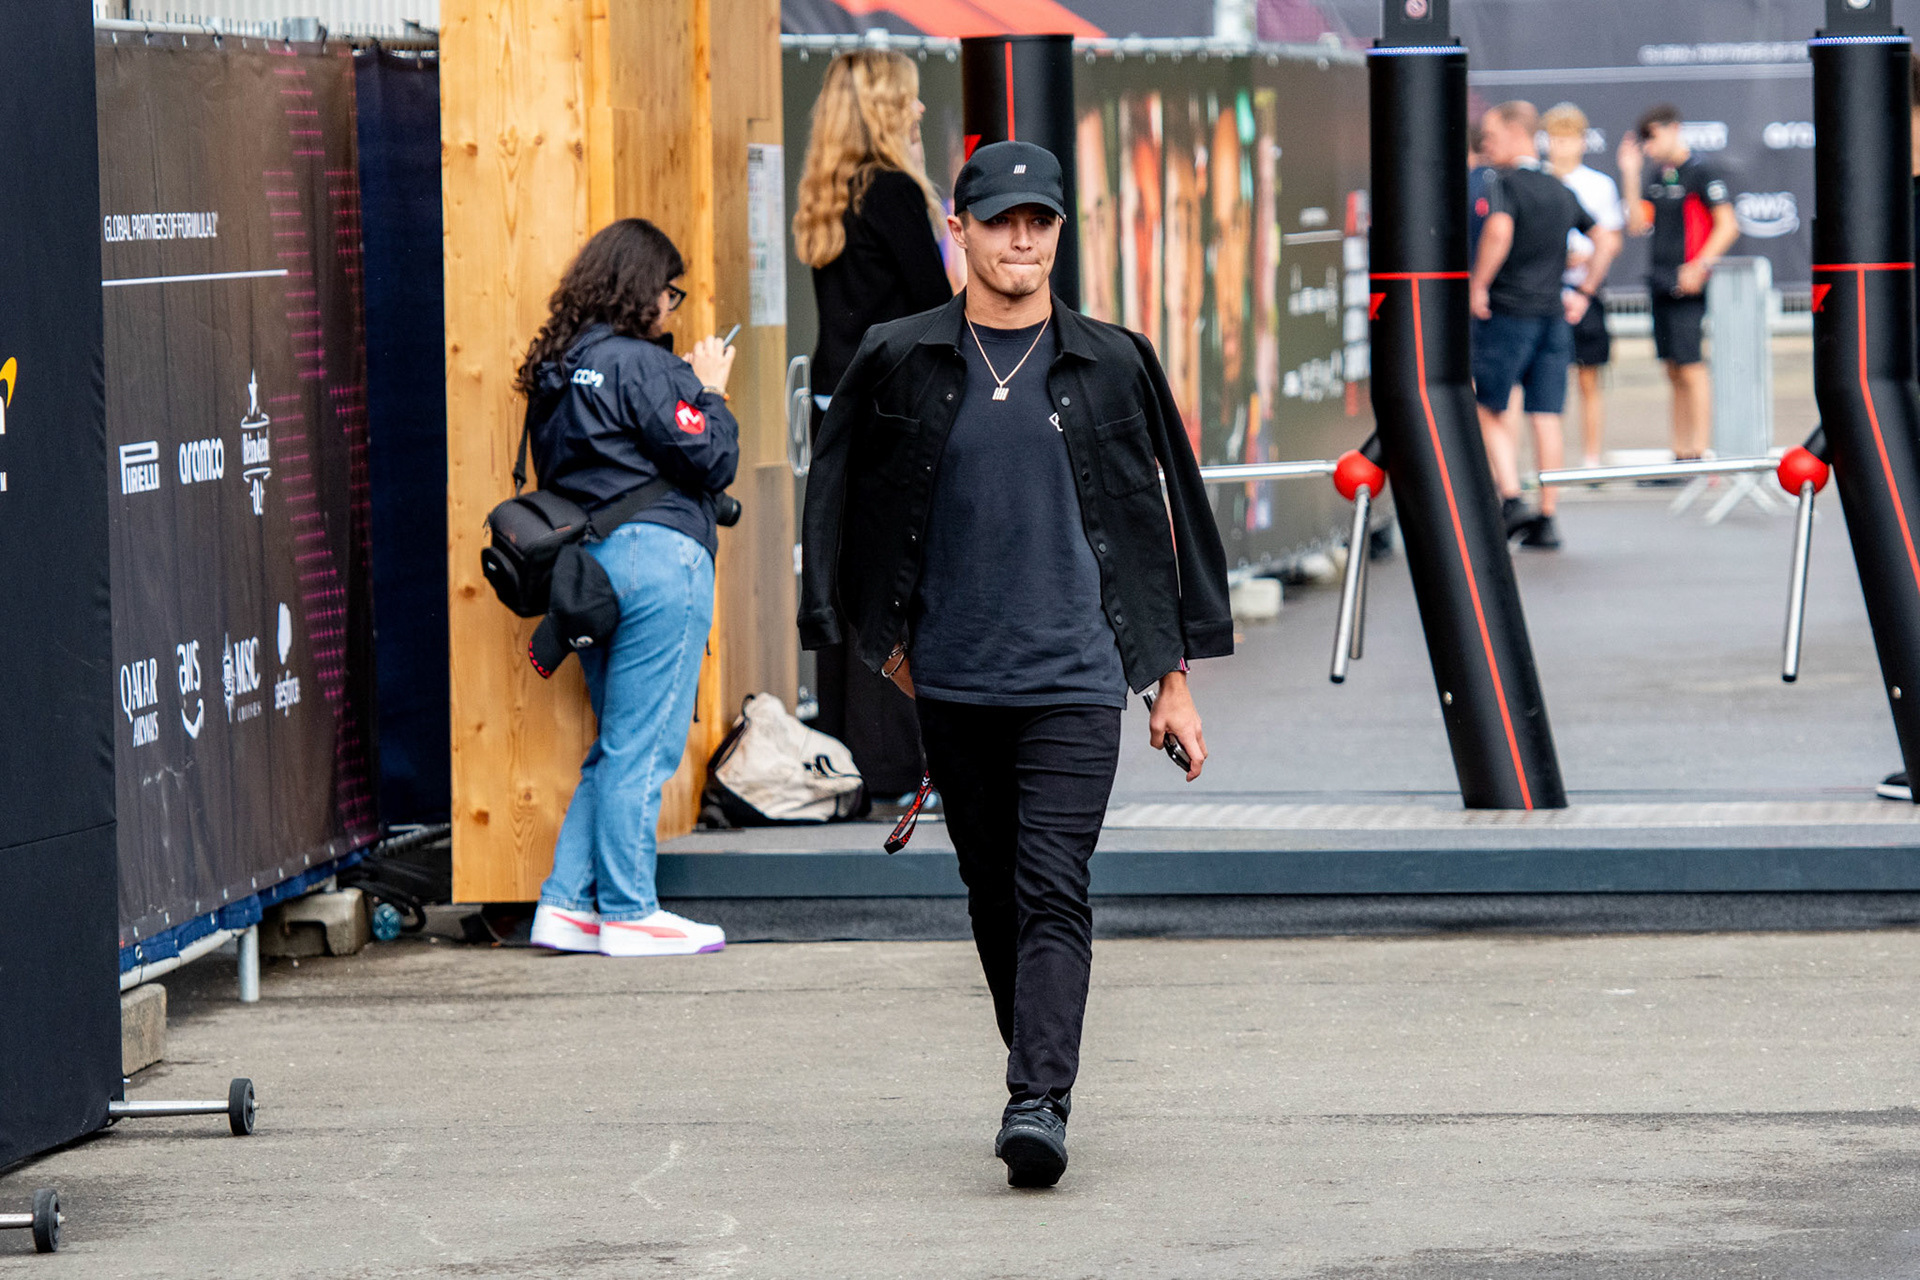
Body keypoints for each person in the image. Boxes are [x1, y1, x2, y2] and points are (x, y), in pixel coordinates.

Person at [798, 141, 1233, 1188]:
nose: (1022, 237)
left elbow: (1152, 517)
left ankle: (1038, 1095)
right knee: (992, 890)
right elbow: (845, 497)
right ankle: (1033, 1058)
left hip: (1076, 680)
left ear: (1058, 233)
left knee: (1050, 886)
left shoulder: (1111, 360)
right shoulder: (901, 354)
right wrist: (874, 638)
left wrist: (1168, 677)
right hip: (952, 677)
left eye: (1040, 219)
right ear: (961, 229)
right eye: (1001, 220)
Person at [519, 219, 739, 957]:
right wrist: (709, 391)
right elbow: (710, 458)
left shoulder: (556, 367)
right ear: (641, 286)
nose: (674, 307)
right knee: (642, 750)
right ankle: (629, 911)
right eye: (670, 291)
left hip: (590, 572)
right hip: (658, 564)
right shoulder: (642, 365)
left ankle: (565, 906)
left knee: (615, 746)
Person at [792, 48, 953, 802]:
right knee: (903, 584)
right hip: (898, 416)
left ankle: (856, 754)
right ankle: (900, 762)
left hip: (839, 411)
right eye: (910, 100)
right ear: (885, 109)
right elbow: (935, 302)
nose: (920, 111)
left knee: (848, 583)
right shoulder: (891, 191)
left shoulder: (830, 193)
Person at [1470, 101, 1618, 550]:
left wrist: (1479, 285)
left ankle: (1512, 498)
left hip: (1511, 313)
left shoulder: (1504, 184)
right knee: (1546, 414)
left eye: (1493, 136)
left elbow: (1498, 231)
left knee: (1489, 406)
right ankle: (1548, 516)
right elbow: (1606, 238)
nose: (1487, 145)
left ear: (1516, 134)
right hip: (1554, 316)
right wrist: (1585, 292)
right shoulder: (1559, 188)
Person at [1617, 103, 1739, 465]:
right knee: (1671, 367)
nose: (1649, 145)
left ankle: (1699, 451)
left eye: (1652, 136)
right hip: (1660, 278)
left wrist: (1699, 266)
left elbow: (1728, 225)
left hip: (1689, 284)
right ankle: (1681, 451)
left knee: (1690, 365)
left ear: (1674, 129)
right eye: (1644, 140)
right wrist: (1630, 172)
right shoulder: (1657, 175)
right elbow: (1637, 224)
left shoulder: (1702, 171)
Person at [1543, 103, 1624, 468]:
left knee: (1589, 379)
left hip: (1585, 292)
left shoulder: (1599, 184)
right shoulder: (1536, 179)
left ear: (1581, 142)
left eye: (1569, 139)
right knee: (1546, 383)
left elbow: (1610, 238)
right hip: (1543, 294)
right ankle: (1551, 462)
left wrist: (1585, 256)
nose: (1562, 147)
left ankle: (1592, 458)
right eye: (1556, 139)